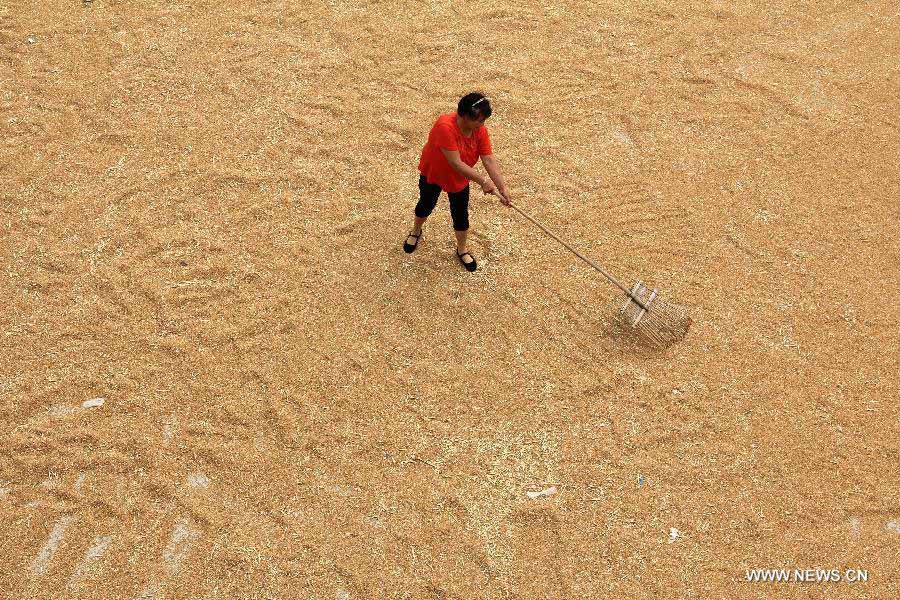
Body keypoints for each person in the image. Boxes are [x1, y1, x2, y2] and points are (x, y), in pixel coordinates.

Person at [403, 92, 510, 272]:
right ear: (465, 116)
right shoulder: (444, 126)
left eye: (484, 120)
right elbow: (455, 162)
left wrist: (502, 187)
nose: (482, 125)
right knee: (425, 205)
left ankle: (462, 249)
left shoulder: (479, 130)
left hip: (459, 178)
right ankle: (416, 231)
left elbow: (488, 159)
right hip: (435, 173)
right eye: (479, 120)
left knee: (460, 215)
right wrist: (483, 181)